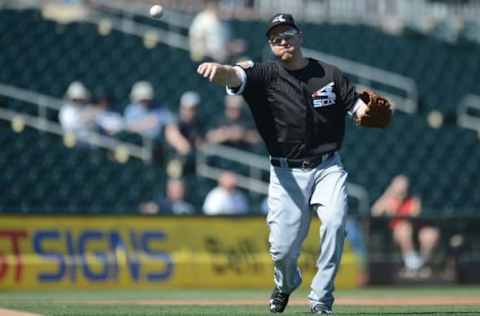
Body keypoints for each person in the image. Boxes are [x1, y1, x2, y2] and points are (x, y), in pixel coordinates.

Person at [197, 13, 392, 314]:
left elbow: (356, 108)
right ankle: (286, 285)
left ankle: (320, 299)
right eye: (276, 39)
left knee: (336, 223)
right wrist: (221, 70)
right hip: (286, 173)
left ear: (300, 36)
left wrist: (365, 111)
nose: (283, 41)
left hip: (328, 166)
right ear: (272, 47)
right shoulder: (265, 76)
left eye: (287, 34)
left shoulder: (330, 74)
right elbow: (236, 77)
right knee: (283, 250)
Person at [372, 175, 440, 276]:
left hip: (415, 231)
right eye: (399, 186)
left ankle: (422, 265)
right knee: (404, 229)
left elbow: (415, 215)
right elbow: (374, 212)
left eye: (404, 186)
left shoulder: (413, 200)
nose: (402, 189)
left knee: (430, 234)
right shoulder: (388, 200)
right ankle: (411, 266)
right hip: (396, 234)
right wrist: (389, 195)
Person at [124, 81, 191, 158]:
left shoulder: (158, 108)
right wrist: (146, 123)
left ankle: (183, 153)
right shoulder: (132, 110)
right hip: (136, 140)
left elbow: (170, 121)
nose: (145, 102)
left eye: (146, 99)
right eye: (142, 99)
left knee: (171, 130)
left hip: (157, 142)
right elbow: (128, 127)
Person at [58, 81, 98, 145]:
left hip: (90, 141)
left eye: (80, 99)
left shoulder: (87, 107)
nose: (78, 101)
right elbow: (69, 126)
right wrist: (84, 117)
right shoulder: (66, 110)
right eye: (75, 99)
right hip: (75, 141)